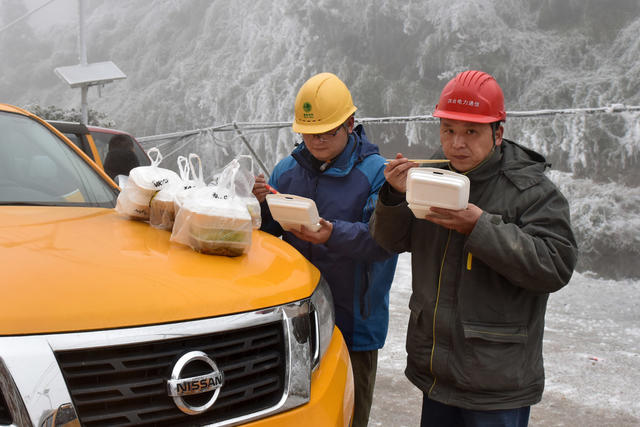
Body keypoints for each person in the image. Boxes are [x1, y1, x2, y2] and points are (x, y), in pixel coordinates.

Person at [369, 70, 578, 427]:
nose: (456, 144)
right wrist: (392, 197)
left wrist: (480, 227)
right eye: (448, 130)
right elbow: (390, 241)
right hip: (437, 371)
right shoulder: (434, 175)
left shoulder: (530, 190)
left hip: (495, 381)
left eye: (471, 132)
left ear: (498, 133)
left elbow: (555, 265)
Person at [253, 72, 398, 427]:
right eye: (307, 133)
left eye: (326, 132)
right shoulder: (287, 171)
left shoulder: (377, 173)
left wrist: (331, 234)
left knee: (350, 411)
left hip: (355, 318)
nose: (315, 141)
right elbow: (272, 236)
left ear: (350, 124)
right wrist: (263, 205)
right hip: (299, 315)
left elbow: (382, 242)